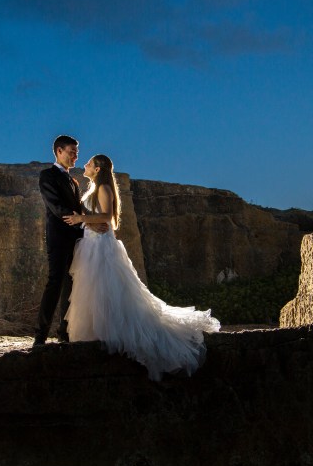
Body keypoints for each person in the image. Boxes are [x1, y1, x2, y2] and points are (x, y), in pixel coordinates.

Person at [63, 154, 220, 381]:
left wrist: (82, 220)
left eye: (88, 164)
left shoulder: (104, 188)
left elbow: (107, 217)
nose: (84, 166)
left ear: (98, 169)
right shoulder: (93, 187)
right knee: (93, 290)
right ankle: (97, 334)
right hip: (90, 244)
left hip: (101, 247)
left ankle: (112, 334)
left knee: (107, 288)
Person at [33, 135, 107, 347]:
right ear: (59, 151)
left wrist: (88, 222)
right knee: (55, 282)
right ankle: (40, 335)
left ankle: (64, 333)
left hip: (77, 240)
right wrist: (86, 224)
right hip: (58, 238)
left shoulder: (74, 181)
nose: (76, 156)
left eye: (77, 152)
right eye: (72, 152)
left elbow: (79, 210)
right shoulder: (47, 176)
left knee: (71, 286)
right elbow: (56, 208)